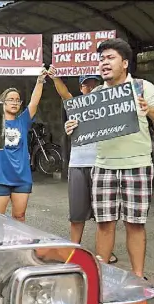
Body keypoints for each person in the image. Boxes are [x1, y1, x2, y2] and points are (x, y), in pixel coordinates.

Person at [64, 38, 154, 278]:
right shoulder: (95, 95)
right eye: (101, 59)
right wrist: (72, 126)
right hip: (103, 166)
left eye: (110, 58)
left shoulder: (142, 87)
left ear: (124, 63)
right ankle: (104, 277)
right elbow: (83, 130)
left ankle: (137, 277)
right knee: (104, 224)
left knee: (135, 224)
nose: (104, 63)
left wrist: (149, 110)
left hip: (138, 164)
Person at [49, 69, 118, 264]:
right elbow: (64, 93)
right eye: (86, 84)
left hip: (103, 164)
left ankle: (104, 253)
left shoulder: (109, 105)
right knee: (77, 214)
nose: (90, 88)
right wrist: (55, 77)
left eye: (94, 84)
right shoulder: (75, 106)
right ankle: (74, 250)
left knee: (103, 215)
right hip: (78, 164)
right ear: (81, 88)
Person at [0, 68, 48, 222]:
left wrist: (40, 80)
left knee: (19, 217)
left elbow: (34, 101)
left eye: (17, 100)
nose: (14, 102)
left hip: (21, 178)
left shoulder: (23, 120)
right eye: (10, 99)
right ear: (2, 102)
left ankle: (19, 246)